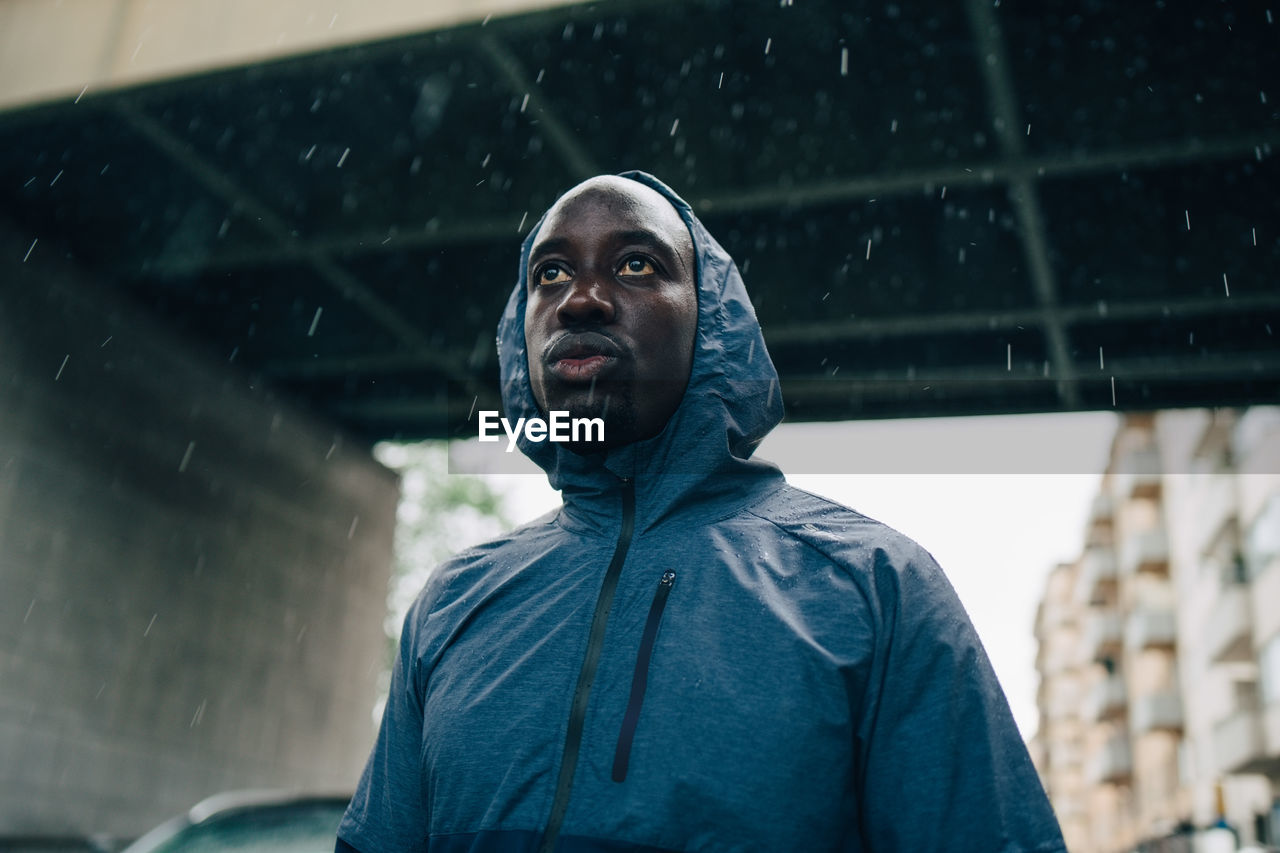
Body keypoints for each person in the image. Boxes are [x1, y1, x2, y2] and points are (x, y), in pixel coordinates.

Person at [336, 172, 1067, 852]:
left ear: (711, 322)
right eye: (550, 272)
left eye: (635, 265)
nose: (580, 298)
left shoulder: (875, 587)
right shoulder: (452, 604)